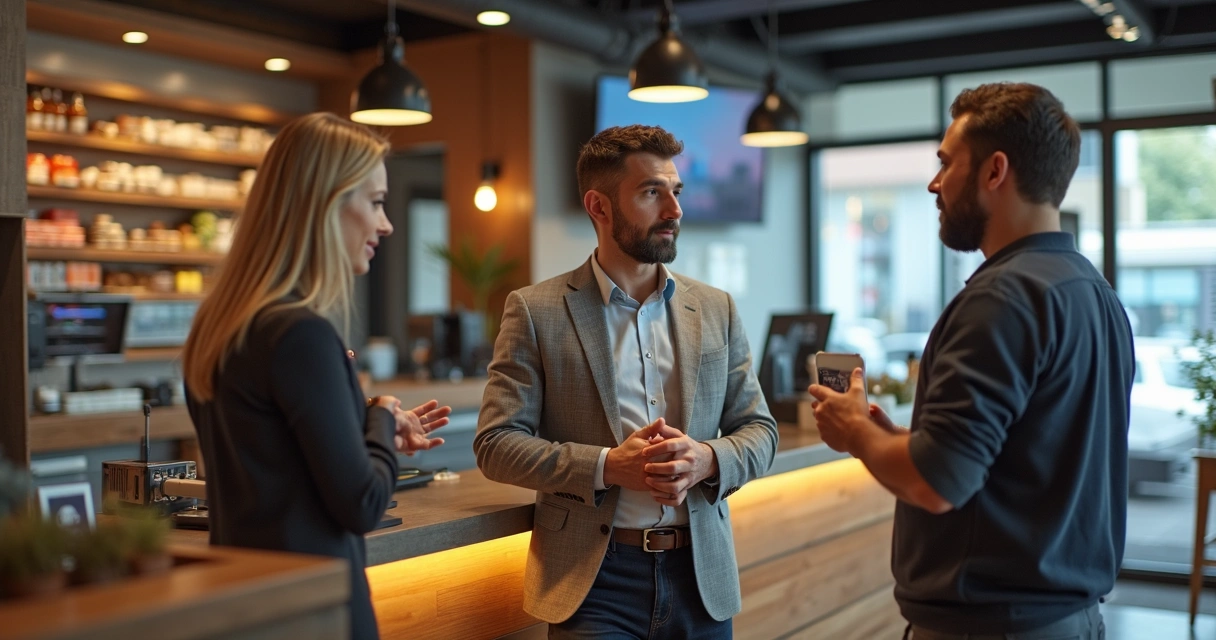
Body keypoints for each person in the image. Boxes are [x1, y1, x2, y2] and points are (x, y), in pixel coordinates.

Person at [809, 83, 1134, 640]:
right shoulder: (1094, 292)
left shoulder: (1000, 298)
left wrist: (857, 433)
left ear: (994, 171)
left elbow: (938, 484)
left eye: (945, 163)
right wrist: (896, 439)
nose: (934, 184)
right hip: (1073, 621)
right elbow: (1021, 455)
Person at [474, 124, 778, 639]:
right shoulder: (535, 311)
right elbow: (495, 444)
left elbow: (760, 431)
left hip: (701, 579)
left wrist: (706, 458)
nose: (674, 211)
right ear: (599, 207)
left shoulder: (716, 308)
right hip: (595, 582)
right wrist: (607, 466)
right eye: (651, 192)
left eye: (675, 192)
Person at [182, 112, 450, 640]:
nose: (386, 224)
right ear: (327, 203)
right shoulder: (301, 335)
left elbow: (282, 462)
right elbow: (363, 504)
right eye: (375, 202)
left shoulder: (222, 327)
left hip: (245, 605)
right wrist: (380, 421)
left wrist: (371, 422)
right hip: (314, 610)